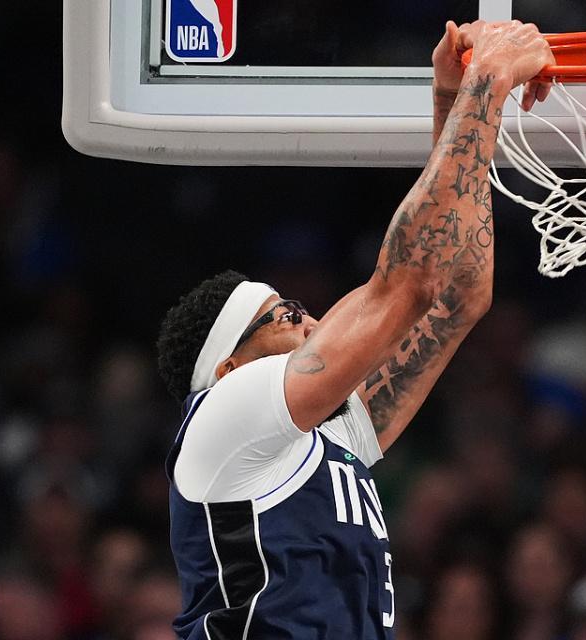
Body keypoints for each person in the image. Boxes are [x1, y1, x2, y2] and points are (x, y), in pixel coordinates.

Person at [154, 20, 554, 640]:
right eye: (286, 315)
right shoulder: (222, 417)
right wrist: (487, 81)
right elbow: (408, 282)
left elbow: (456, 298)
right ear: (230, 369)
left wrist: (454, 103)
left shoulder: (332, 438)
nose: (312, 321)